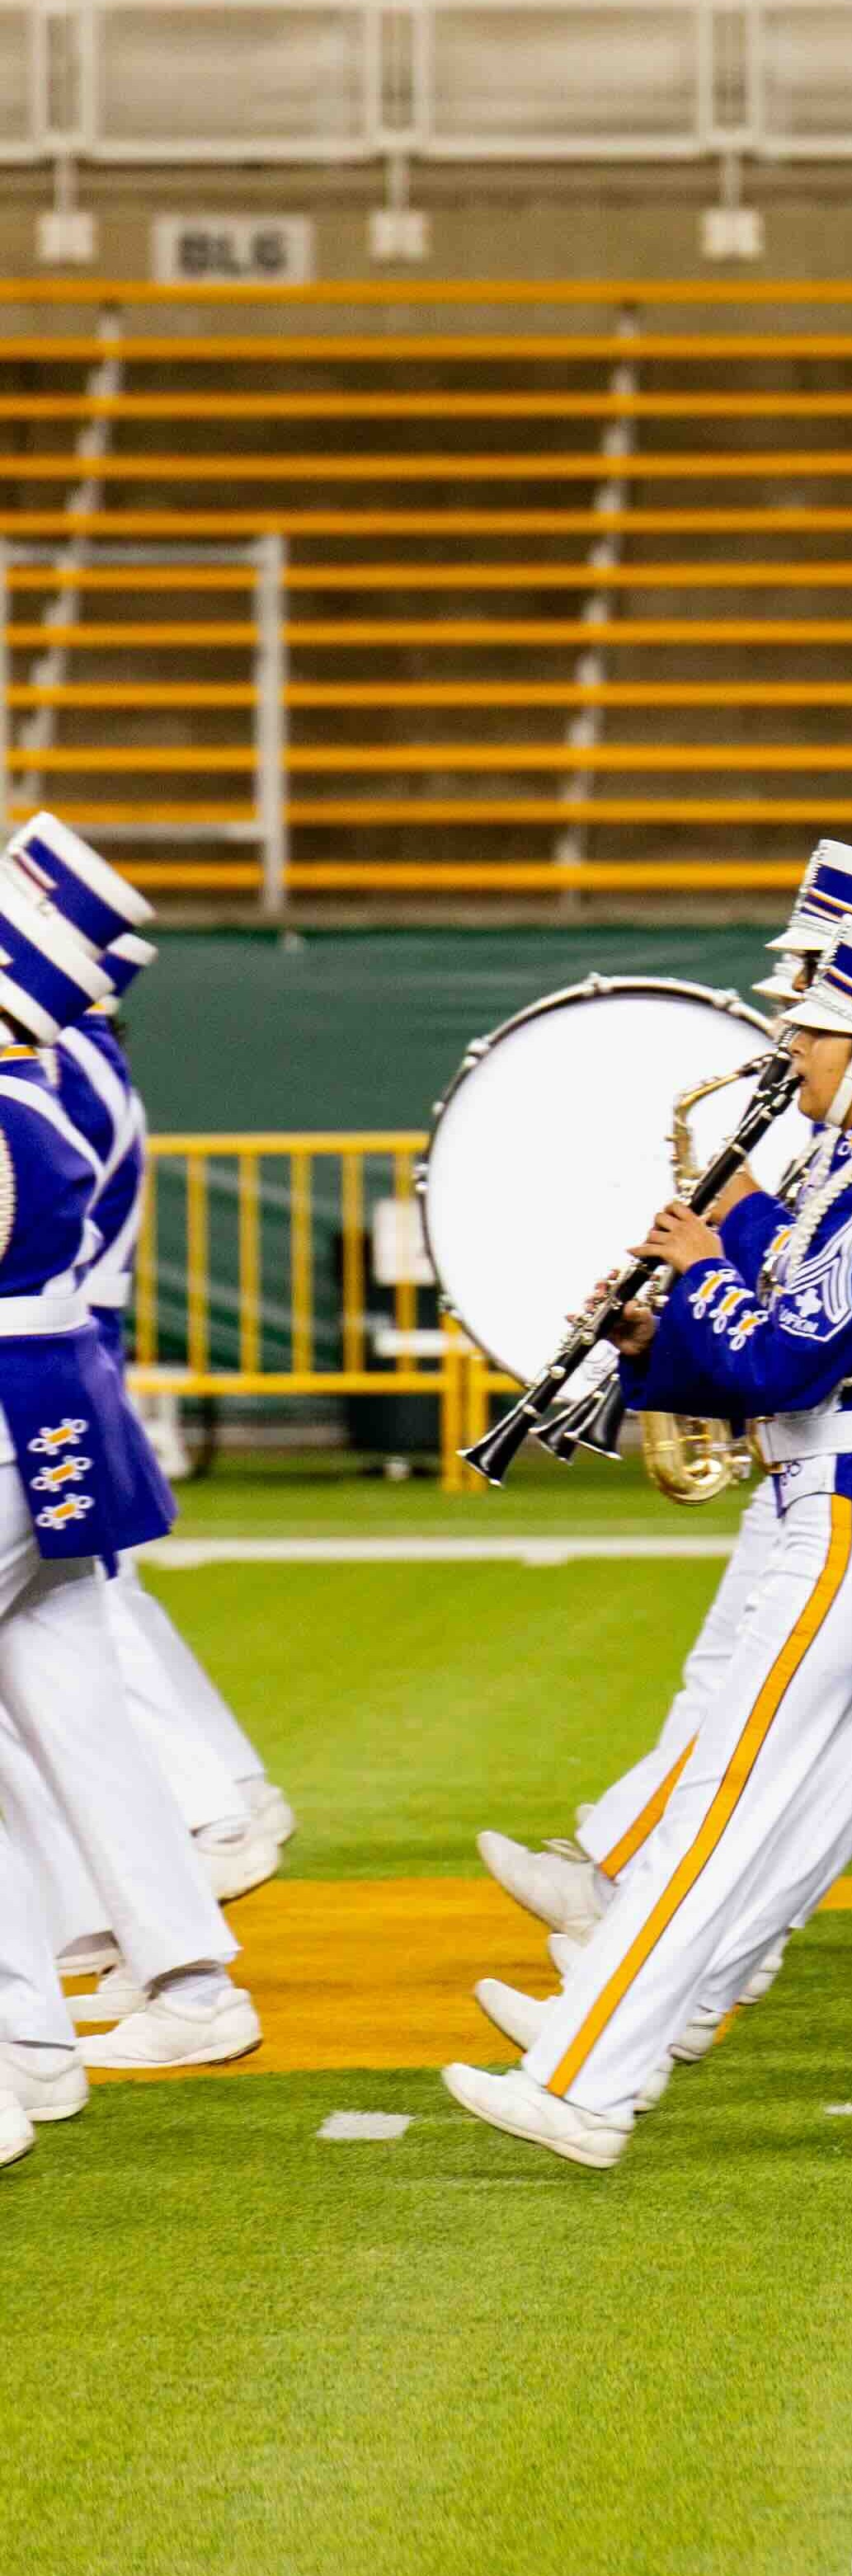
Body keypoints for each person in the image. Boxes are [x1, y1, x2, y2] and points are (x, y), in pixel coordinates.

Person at [443, 911, 852, 2175]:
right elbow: (785, 1339)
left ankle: (585, 2084)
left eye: (816, 1025)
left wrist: (700, 1267)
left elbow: (785, 1359)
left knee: (720, 1807)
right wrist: (657, 1343)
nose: (792, 1043)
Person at [0, 886, 250, 2128]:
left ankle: (23, 2045)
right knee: (79, 1714)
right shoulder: (44, 1097)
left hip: (7, 1409)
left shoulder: (18, 1107)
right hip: (47, 1406)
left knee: (75, 1715)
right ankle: (188, 1981)